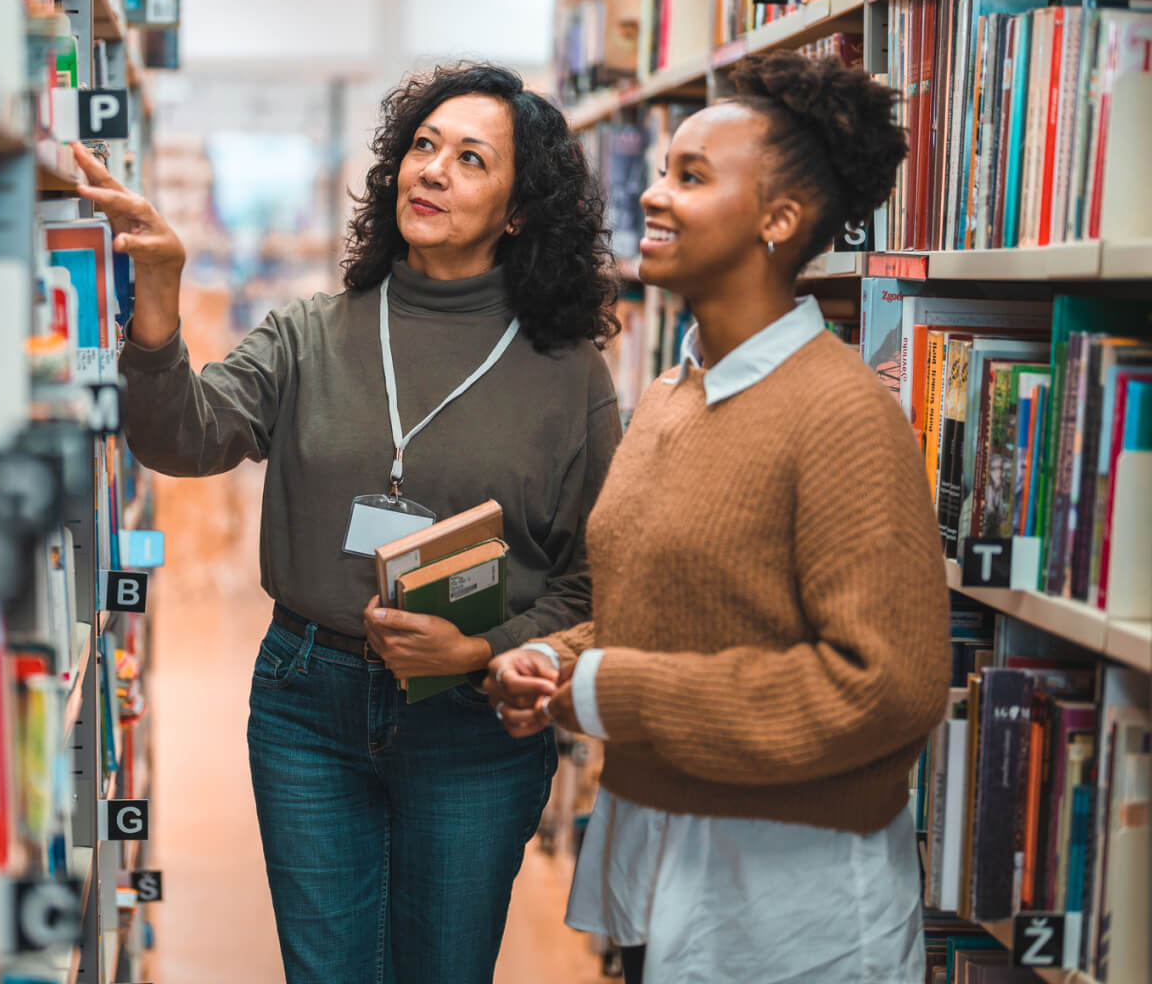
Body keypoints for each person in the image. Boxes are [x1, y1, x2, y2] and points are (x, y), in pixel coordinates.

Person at [71, 62, 623, 984]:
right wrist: (158, 307)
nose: (433, 170)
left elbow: (592, 580)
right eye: (422, 146)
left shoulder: (569, 376)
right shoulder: (310, 332)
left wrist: (480, 652)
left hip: (473, 717)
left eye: (471, 158)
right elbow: (185, 438)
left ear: (520, 209)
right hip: (307, 700)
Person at [486, 50, 950, 984]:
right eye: (661, 171)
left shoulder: (841, 414)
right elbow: (667, 616)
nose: (654, 197)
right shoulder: (670, 395)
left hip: (791, 901)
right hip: (667, 861)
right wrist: (561, 661)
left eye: (691, 178)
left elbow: (886, 690)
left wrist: (608, 691)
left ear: (778, 220)